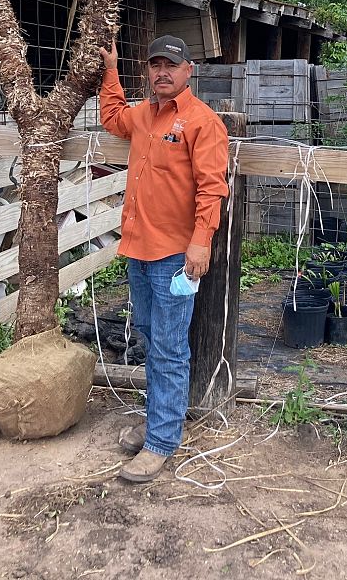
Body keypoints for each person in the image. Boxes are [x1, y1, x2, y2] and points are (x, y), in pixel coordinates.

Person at [99, 34, 229, 483]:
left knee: (170, 346)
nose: (162, 72)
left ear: (188, 70)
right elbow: (112, 117)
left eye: (170, 65)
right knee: (152, 338)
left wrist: (201, 240)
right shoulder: (143, 116)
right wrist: (111, 68)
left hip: (175, 255)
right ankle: (160, 421)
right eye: (155, 65)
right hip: (138, 248)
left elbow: (213, 186)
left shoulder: (202, 122)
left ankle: (161, 441)